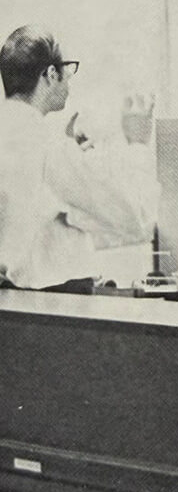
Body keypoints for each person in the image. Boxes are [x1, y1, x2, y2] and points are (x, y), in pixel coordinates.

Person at [0, 25, 158, 293]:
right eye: (68, 70)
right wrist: (138, 144)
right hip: (46, 305)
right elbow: (137, 220)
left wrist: (77, 152)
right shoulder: (47, 146)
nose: (69, 81)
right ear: (51, 74)